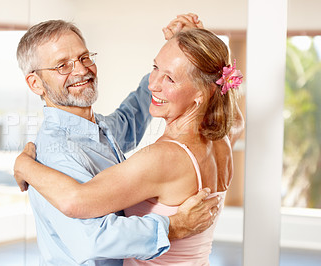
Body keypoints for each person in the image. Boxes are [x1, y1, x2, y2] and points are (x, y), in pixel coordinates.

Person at [15, 24, 245, 264]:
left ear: (204, 90)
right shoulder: (55, 150)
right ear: (35, 84)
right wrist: (173, 227)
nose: (81, 70)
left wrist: (23, 166)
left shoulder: (106, 131)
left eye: (84, 57)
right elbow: (90, 239)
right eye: (62, 65)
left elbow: (131, 116)